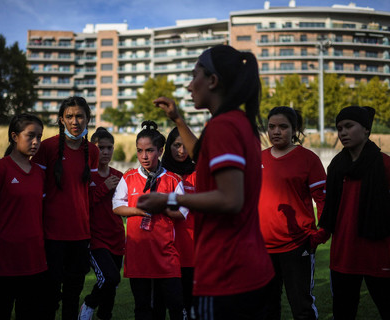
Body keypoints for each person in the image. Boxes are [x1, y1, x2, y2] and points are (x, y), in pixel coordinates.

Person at [137, 44, 275, 320]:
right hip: (252, 269)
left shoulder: (223, 126)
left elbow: (230, 198)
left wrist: (168, 199)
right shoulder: (239, 123)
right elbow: (202, 156)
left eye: (194, 75)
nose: (189, 85)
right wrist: (177, 118)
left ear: (212, 81)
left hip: (227, 274)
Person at [319, 106, 390, 320]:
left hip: (379, 254)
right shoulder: (336, 166)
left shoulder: (386, 165)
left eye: (349, 126)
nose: (342, 132)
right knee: (343, 313)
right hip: (343, 254)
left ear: (366, 130)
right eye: (339, 128)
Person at [32, 96, 99, 320]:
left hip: (80, 236)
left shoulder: (93, 151)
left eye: (80, 116)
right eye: (69, 116)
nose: (75, 121)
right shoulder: (47, 147)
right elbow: (35, 190)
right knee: (49, 296)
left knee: (72, 295)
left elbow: (90, 195)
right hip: (52, 236)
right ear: (61, 119)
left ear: (88, 119)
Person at [113, 121, 188, 320]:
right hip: (138, 254)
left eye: (149, 150)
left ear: (161, 150)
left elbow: (183, 213)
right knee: (143, 309)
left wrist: (161, 207)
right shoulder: (128, 177)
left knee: (175, 305)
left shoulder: (173, 179)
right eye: (139, 150)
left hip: (166, 254)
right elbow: (116, 206)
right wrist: (138, 210)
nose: (144, 156)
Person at [0, 113, 47, 320]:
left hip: (34, 261)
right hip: (2, 263)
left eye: (39, 137)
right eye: (30, 136)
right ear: (14, 136)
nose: (36, 142)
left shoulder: (39, 174)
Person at [259, 106, 327, 320]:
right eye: (271, 127)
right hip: (262, 248)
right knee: (266, 308)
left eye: (283, 127)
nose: (276, 131)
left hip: (297, 246)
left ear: (295, 129)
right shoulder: (256, 158)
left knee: (302, 307)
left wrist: (322, 232)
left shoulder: (308, 159)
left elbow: (323, 199)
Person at [79, 127, 125, 320]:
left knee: (112, 285)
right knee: (110, 277)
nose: (105, 152)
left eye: (109, 147)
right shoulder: (86, 175)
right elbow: (81, 206)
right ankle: (89, 304)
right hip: (96, 239)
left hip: (117, 238)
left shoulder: (119, 175)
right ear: (93, 149)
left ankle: (105, 315)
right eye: (101, 147)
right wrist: (103, 188)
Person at [161, 126, 196, 318]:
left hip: (194, 251)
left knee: (191, 308)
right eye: (176, 145)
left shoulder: (199, 174)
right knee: (163, 305)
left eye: (185, 146)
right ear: (168, 146)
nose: (181, 151)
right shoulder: (159, 174)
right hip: (164, 250)